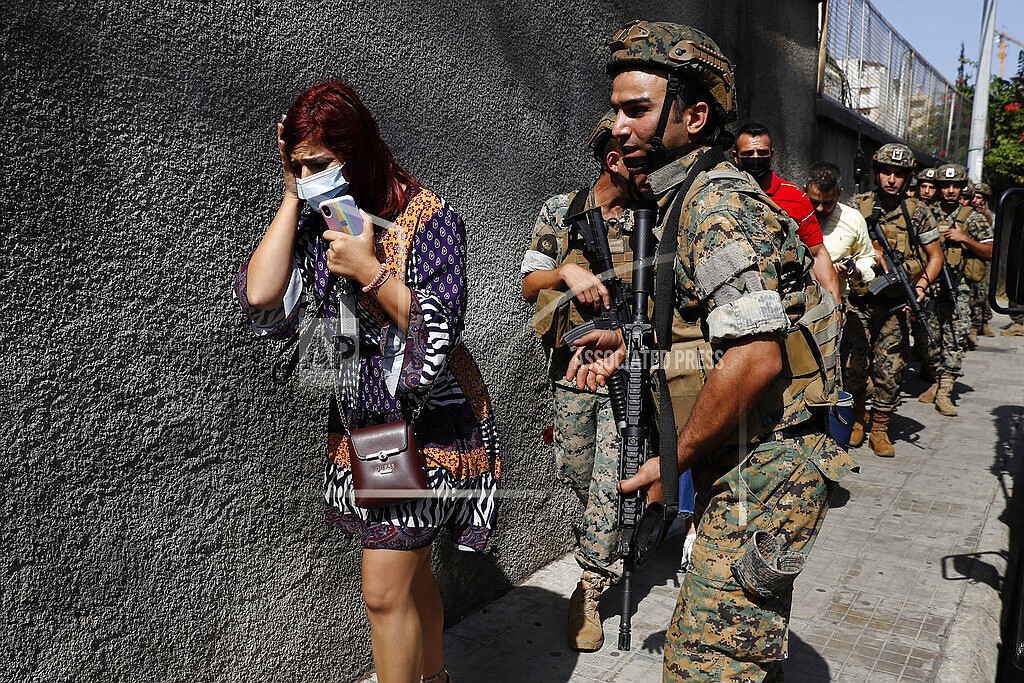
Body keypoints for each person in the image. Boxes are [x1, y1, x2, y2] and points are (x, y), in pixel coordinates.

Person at [567, 21, 857, 680]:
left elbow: (756, 357)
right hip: (747, 451)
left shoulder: (716, 206)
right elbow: (718, 324)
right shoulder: (681, 197)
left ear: (694, 116)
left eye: (636, 109)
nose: (617, 125)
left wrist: (673, 463)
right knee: (740, 648)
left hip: (769, 466)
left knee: (704, 663)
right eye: (615, 108)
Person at [235, 80, 500, 683]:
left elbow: (440, 324)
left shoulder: (428, 217)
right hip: (367, 426)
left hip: (426, 428)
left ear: (359, 152)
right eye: (299, 165)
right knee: (411, 573)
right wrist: (289, 192)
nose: (312, 177)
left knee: (383, 593)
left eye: (322, 164)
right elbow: (260, 293)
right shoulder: (319, 222)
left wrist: (370, 271)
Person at [520, 111, 633, 652]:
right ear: (613, 159)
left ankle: (589, 589)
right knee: (576, 469)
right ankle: (617, 533)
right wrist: (565, 272)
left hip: (632, 367)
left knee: (611, 478)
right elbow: (526, 284)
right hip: (570, 367)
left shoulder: (654, 217)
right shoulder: (562, 210)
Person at [849, 144, 944, 453]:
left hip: (895, 304)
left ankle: (880, 427)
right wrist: (870, 251)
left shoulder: (918, 212)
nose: (891, 179)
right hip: (860, 301)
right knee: (854, 365)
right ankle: (857, 418)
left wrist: (920, 287)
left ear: (908, 178)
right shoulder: (857, 206)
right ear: (876, 173)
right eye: (886, 172)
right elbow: (834, 243)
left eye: (899, 174)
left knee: (890, 369)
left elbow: (935, 257)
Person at [804, 162, 876, 446]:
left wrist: (855, 269)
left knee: (851, 368)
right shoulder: (794, 212)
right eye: (815, 202)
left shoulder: (853, 219)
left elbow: (868, 258)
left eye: (828, 203)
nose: (820, 210)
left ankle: (854, 416)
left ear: (840, 193)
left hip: (842, 304)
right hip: (803, 306)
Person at [733, 122, 843, 306]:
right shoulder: (723, 194)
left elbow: (817, 254)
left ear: (772, 153)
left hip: (783, 302)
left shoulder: (794, 197)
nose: (755, 158)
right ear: (736, 157)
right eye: (748, 154)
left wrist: (835, 305)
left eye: (762, 153)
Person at [916, 163, 993, 415]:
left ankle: (946, 390)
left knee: (956, 336)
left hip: (957, 287)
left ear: (962, 188)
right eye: (945, 186)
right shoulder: (924, 213)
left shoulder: (972, 217)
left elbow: (991, 251)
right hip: (929, 285)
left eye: (955, 186)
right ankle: (936, 380)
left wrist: (965, 239)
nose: (950, 190)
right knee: (930, 337)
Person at [970, 182, 995, 338]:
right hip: (973, 258)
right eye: (974, 197)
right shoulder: (968, 214)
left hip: (987, 258)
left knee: (984, 292)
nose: (976, 201)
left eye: (979, 197)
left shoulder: (989, 215)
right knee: (975, 292)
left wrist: (986, 217)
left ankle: (984, 321)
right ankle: (974, 325)